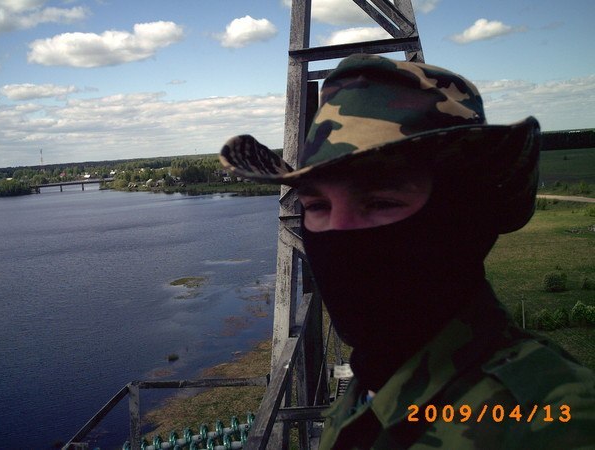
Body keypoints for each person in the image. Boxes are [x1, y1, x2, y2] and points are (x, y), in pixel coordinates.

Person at [220, 54, 594, 449]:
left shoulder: (553, 419)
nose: (339, 235)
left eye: (381, 202)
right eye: (317, 206)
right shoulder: (372, 381)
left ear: (466, 217)